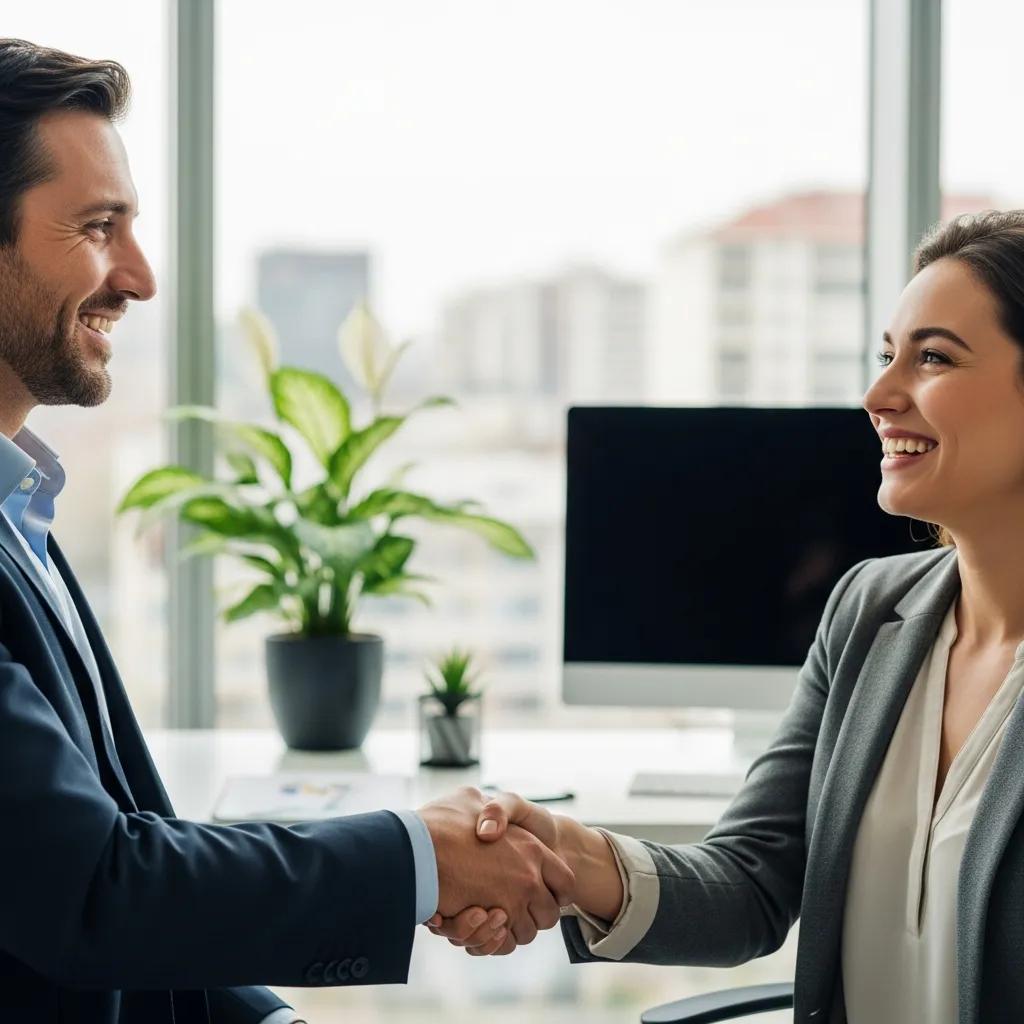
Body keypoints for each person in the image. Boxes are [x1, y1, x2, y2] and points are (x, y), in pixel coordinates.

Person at [0, 38, 573, 1024]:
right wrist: (419, 858)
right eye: (99, 227)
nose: (138, 277)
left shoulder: (23, 517)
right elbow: (94, 890)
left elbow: (130, 872)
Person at [431, 209, 1024, 1023]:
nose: (879, 395)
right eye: (887, 356)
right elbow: (751, 881)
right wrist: (561, 851)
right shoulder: (868, 612)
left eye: (932, 358)